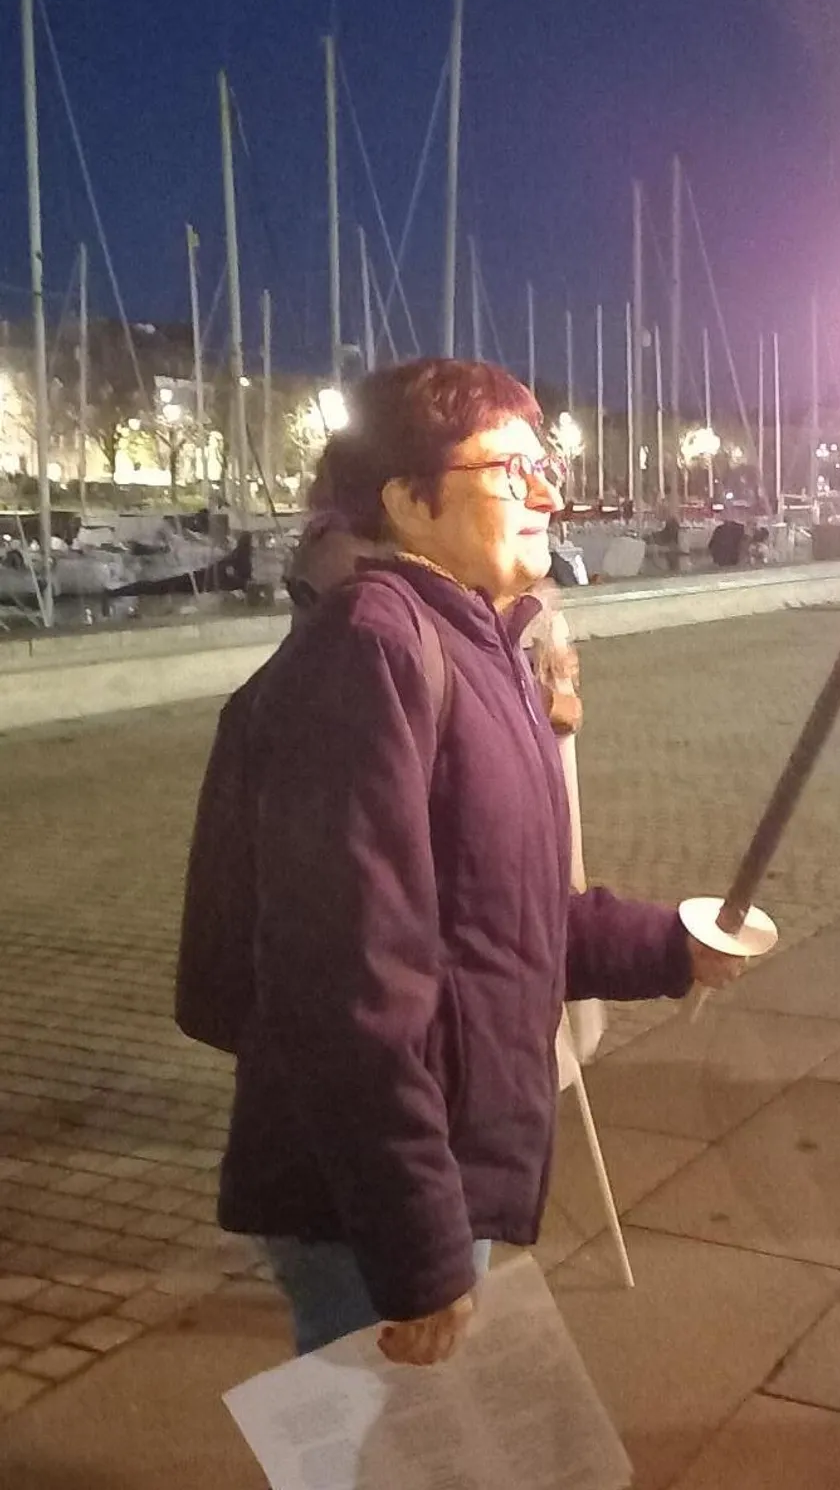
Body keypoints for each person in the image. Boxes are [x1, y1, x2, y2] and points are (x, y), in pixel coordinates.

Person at [215, 360, 743, 1362]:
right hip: (371, 1197)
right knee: (380, 1460)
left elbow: (504, 913)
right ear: (409, 502)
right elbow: (347, 984)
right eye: (509, 470)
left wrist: (670, 942)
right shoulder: (371, 653)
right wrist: (414, 1246)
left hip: (439, 1158)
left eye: (541, 463)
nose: (549, 490)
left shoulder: (482, 642)